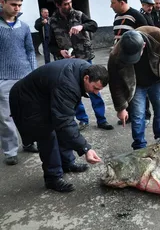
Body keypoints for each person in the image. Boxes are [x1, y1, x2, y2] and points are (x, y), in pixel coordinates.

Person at [9, 59, 104, 192]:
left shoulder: (85, 70)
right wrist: (85, 148)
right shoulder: (67, 83)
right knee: (47, 135)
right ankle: (52, 178)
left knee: (61, 129)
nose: (96, 93)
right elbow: (65, 121)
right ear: (86, 78)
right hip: (26, 100)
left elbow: (65, 119)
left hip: (43, 95)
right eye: (95, 88)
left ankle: (67, 163)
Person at [49, 0, 113, 131]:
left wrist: (82, 26)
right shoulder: (52, 21)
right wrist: (60, 51)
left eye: (70, 2)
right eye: (65, 4)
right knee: (73, 92)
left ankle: (101, 119)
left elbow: (94, 25)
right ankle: (82, 119)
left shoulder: (78, 14)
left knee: (94, 89)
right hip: (67, 63)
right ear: (57, 5)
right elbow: (50, 44)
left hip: (85, 60)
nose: (69, 6)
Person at [108, 26, 160, 150]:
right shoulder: (116, 54)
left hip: (156, 79)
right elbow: (115, 83)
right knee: (137, 115)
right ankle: (139, 145)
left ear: (144, 45)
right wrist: (121, 108)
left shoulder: (157, 35)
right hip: (135, 86)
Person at [0, 0, 38, 165]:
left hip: (25, 77)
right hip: (3, 79)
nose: (17, 8)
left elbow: (30, 51)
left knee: (28, 114)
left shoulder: (24, 27)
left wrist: (33, 73)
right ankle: (10, 151)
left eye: (20, 5)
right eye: (13, 4)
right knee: (6, 118)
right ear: (2, 2)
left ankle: (29, 142)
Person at [110, 0, 151, 126]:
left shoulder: (136, 16)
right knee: (124, 86)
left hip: (135, 59)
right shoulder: (117, 17)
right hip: (122, 59)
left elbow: (146, 36)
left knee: (139, 86)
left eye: (113, 3)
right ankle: (128, 114)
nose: (111, 6)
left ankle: (145, 114)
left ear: (122, 2)